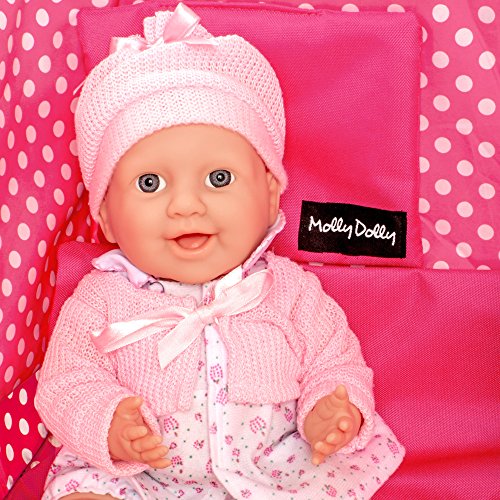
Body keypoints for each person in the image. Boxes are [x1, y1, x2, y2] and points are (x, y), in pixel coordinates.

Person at [35, 4, 404, 499]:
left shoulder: (290, 291)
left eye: (219, 178)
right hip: (141, 479)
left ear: (270, 195)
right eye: (150, 183)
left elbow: (335, 361)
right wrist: (109, 421)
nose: (186, 205)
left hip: (275, 470)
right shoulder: (100, 300)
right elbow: (65, 383)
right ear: (105, 215)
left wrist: (331, 410)